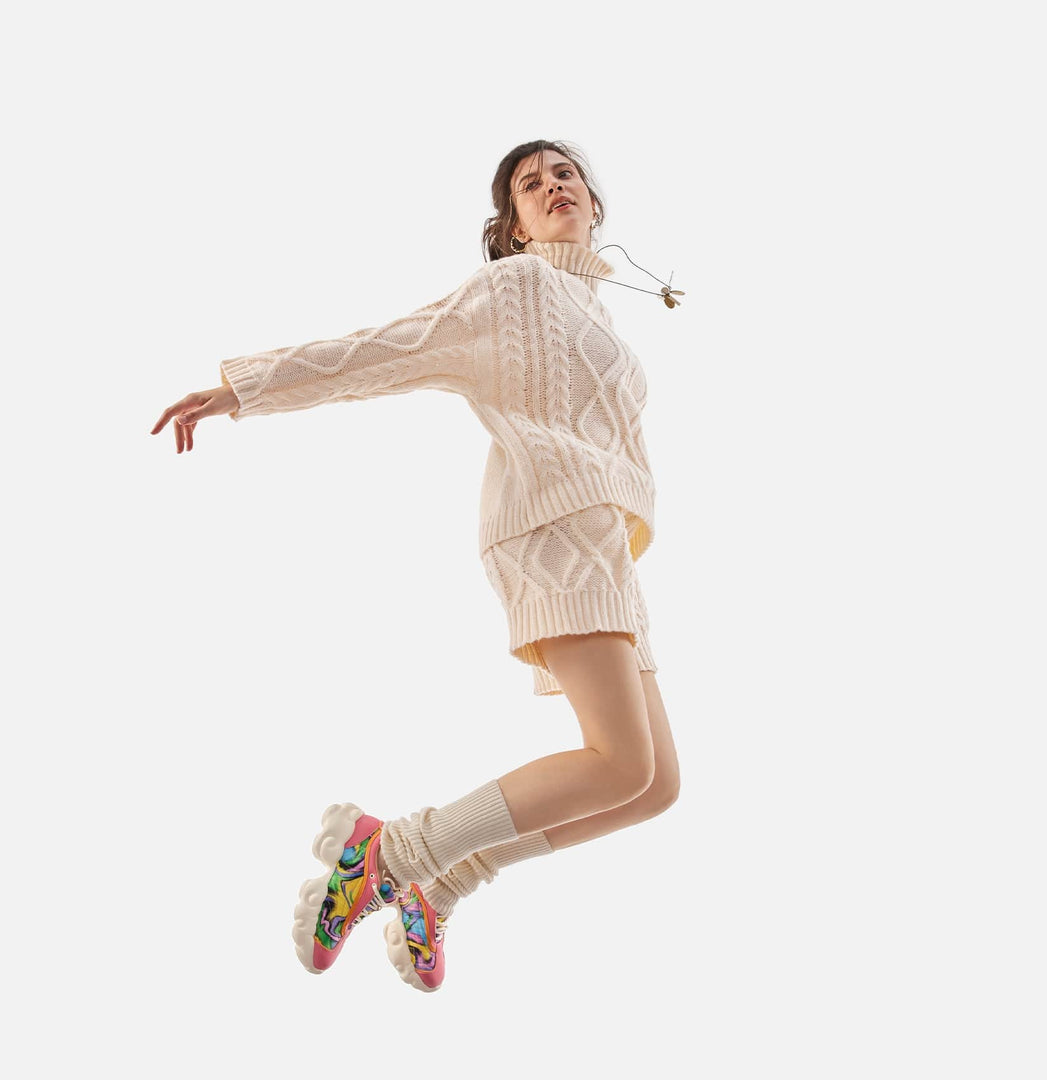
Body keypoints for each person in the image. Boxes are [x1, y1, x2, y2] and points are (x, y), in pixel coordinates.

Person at [150, 139, 680, 992]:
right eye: (531, 184)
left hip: (608, 547)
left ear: (593, 203)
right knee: (619, 762)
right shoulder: (517, 288)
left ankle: (444, 884)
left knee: (653, 787)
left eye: (566, 174)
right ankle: (392, 853)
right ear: (512, 227)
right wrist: (245, 389)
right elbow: (387, 349)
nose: (554, 186)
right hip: (551, 528)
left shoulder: (597, 312)